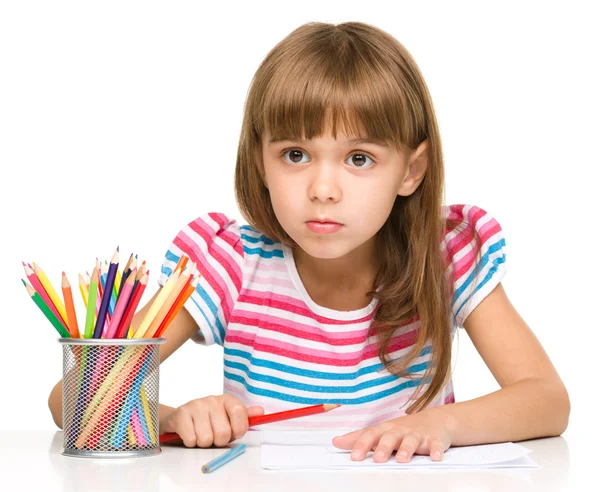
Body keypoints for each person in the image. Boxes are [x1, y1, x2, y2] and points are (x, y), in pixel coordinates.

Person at [48, 21, 570, 463]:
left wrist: (442, 426)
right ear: (261, 162)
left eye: (359, 158)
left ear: (411, 171)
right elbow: (74, 397)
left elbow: (547, 400)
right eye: (295, 155)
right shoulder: (232, 265)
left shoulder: (444, 258)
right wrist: (174, 418)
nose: (323, 190)